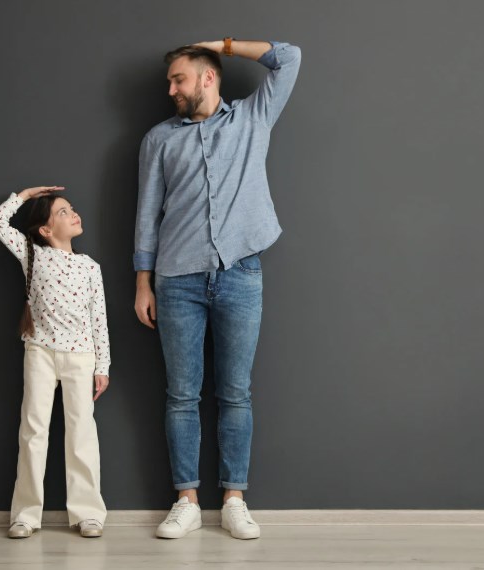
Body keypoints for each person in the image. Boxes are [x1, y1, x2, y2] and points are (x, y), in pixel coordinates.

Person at [133, 38, 301, 540]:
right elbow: (147, 215)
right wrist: (143, 283)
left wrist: (220, 45)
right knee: (181, 395)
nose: (171, 90)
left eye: (178, 79)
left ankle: (234, 500)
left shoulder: (252, 118)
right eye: (169, 81)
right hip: (176, 279)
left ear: (207, 77)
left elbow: (289, 57)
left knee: (235, 393)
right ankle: (185, 500)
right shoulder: (158, 140)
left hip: (241, 274)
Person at [0, 186, 111, 539]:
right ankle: (25, 515)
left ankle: (88, 514)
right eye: (62, 212)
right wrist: (24, 196)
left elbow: (99, 318)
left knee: (82, 433)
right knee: (33, 432)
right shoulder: (32, 255)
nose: (73, 214)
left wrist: (102, 366)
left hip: (81, 356)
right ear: (45, 229)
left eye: (72, 209)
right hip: (40, 352)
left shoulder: (90, 267)